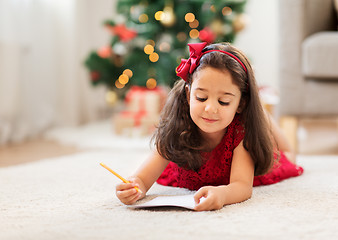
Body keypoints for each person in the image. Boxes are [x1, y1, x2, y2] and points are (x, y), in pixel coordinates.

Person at [116, 42, 303, 211]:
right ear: (189, 95)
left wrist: (222, 194)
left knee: (288, 156)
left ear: (241, 104)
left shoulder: (240, 132)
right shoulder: (176, 128)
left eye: (223, 101)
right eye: (201, 98)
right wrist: (134, 188)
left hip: (250, 145)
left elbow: (242, 186)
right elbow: (141, 178)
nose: (210, 108)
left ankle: (262, 113)